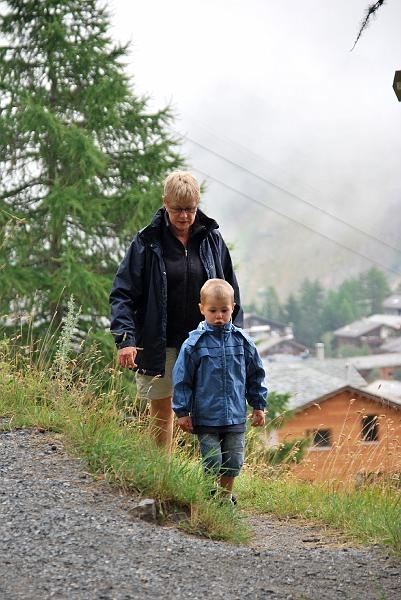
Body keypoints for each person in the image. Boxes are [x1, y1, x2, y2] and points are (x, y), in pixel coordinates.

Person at [109, 171, 242, 451]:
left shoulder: (212, 239)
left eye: (190, 209)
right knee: (162, 413)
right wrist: (126, 339)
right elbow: (123, 293)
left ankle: (210, 482)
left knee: (209, 413)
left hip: (205, 342)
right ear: (165, 203)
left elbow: (230, 291)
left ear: (198, 204)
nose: (184, 217)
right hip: (160, 344)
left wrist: (235, 337)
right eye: (177, 209)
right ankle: (162, 477)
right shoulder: (147, 242)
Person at [172, 278, 267, 504]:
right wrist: (182, 412)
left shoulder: (243, 342)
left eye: (224, 310)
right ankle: (208, 494)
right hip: (206, 415)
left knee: (233, 460)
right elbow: (182, 379)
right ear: (202, 309)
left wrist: (259, 405)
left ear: (233, 308)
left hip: (234, 415)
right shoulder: (194, 344)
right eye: (213, 310)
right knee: (212, 459)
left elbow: (256, 375)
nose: (219, 316)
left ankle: (224, 499)